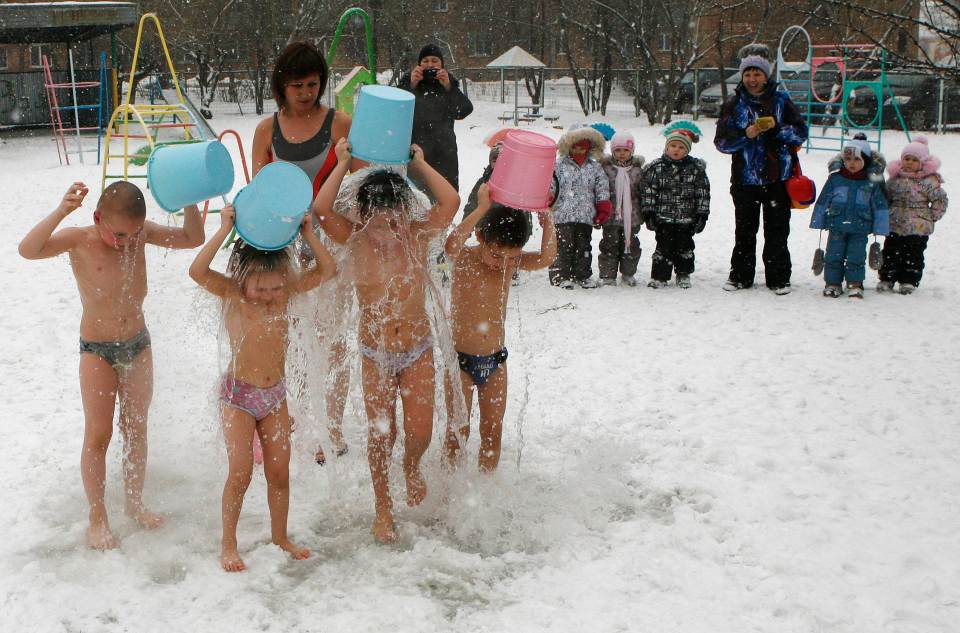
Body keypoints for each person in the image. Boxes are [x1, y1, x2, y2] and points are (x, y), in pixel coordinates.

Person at [18, 181, 204, 550]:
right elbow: (28, 250)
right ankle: (97, 517)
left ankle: (135, 503)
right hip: (97, 351)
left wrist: (188, 200)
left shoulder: (140, 235)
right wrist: (60, 211)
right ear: (97, 217)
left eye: (133, 234)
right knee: (99, 435)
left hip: (138, 345)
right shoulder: (79, 239)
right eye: (118, 234)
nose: (125, 242)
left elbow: (191, 237)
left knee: (136, 428)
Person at [312, 139, 460, 543]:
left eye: (395, 219)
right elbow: (322, 211)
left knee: (420, 432)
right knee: (381, 435)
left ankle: (411, 465)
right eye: (379, 222)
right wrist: (341, 163)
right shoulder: (355, 240)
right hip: (375, 354)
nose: (389, 230)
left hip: (418, 349)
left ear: (404, 212)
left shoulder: (417, 236)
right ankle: (383, 509)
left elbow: (451, 201)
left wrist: (421, 165)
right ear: (362, 215)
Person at [188, 206, 336, 572]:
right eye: (261, 288)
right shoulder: (233, 294)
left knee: (279, 473)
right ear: (243, 279)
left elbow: (328, 269)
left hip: (274, 398)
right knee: (240, 472)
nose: (269, 295)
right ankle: (228, 544)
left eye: (276, 287)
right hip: (238, 397)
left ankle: (280, 536)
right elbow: (197, 271)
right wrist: (224, 228)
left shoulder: (286, 294)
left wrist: (308, 235)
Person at [251, 40, 355, 462]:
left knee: (332, 338)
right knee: (289, 337)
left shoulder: (339, 123)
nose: (306, 92)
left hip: (330, 244)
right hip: (284, 246)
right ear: (281, 86)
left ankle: (331, 429)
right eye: (297, 85)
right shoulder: (266, 130)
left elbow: (361, 183)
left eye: (313, 84)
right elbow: (259, 189)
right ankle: (293, 419)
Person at [443, 185, 556, 471]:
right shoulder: (466, 259)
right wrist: (480, 209)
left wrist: (548, 221)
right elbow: (450, 245)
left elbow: (546, 259)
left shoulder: (511, 262)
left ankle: (485, 486)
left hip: (495, 361)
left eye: (510, 258)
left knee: (493, 430)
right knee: (458, 431)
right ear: (481, 238)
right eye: (495, 255)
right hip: (459, 362)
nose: (502, 264)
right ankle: (451, 488)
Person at [715, 43, 808, 295]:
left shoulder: (781, 101)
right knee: (745, 230)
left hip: (778, 177)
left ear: (766, 76)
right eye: (747, 74)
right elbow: (722, 143)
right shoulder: (733, 103)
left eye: (757, 74)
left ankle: (778, 278)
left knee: (777, 230)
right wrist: (746, 134)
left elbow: (801, 134)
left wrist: (777, 129)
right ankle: (740, 276)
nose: (752, 79)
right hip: (745, 180)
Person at [809, 139, 889, 298]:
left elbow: (879, 205)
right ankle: (833, 283)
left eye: (857, 159)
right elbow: (824, 199)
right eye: (848, 159)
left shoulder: (871, 181)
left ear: (865, 161)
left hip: (860, 226)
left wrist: (880, 226)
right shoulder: (835, 179)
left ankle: (855, 283)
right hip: (836, 224)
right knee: (833, 255)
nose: (852, 163)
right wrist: (818, 219)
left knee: (856, 256)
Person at [641, 123, 711, 289]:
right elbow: (648, 191)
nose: (676, 150)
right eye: (672, 145)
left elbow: (702, 192)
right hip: (663, 217)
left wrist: (702, 214)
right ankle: (660, 275)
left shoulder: (695, 169)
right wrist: (649, 212)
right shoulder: (656, 168)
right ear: (666, 147)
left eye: (681, 147)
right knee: (663, 247)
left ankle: (683, 273)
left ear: (687, 150)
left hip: (686, 217)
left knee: (685, 246)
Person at [397, 43, 474, 192]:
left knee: (445, 198)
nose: (430, 65)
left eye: (434, 61)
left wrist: (449, 87)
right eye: (425, 61)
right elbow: (396, 110)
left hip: (444, 153)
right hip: (415, 152)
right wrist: (411, 85)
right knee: (416, 200)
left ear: (442, 64)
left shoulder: (448, 86)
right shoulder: (410, 85)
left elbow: (464, 110)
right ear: (419, 64)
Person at [878, 136, 949, 294]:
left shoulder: (929, 181)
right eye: (906, 159)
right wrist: (885, 213)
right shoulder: (895, 179)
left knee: (913, 254)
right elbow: (886, 197)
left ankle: (909, 280)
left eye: (914, 160)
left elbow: (940, 200)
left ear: (923, 163)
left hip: (919, 225)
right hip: (895, 223)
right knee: (890, 251)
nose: (909, 162)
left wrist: (931, 216)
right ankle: (887, 277)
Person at [549, 123, 611, 289]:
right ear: (568, 146)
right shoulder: (558, 165)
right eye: (574, 148)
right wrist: (548, 198)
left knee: (583, 247)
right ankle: (560, 275)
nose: (578, 151)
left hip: (585, 216)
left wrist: (603, 207)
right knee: (563, 246)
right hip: (562, 215)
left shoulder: (595, 168)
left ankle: (582, 275)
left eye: (581, 148)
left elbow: (602, 188)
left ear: (589, 148)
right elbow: (551, 183)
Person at [598, 131, 645, 286]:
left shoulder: (637, 170)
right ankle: (608, 275)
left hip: (631, 216)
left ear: (631, 151)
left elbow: (642, 192)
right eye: (618, 150)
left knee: (630, 245)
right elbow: (600, 189)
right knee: (609, 245)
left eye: (626, 150)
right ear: (612, 151)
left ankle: (628, 273)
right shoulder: (606, 169)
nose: (622, 154)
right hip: (611, 216)